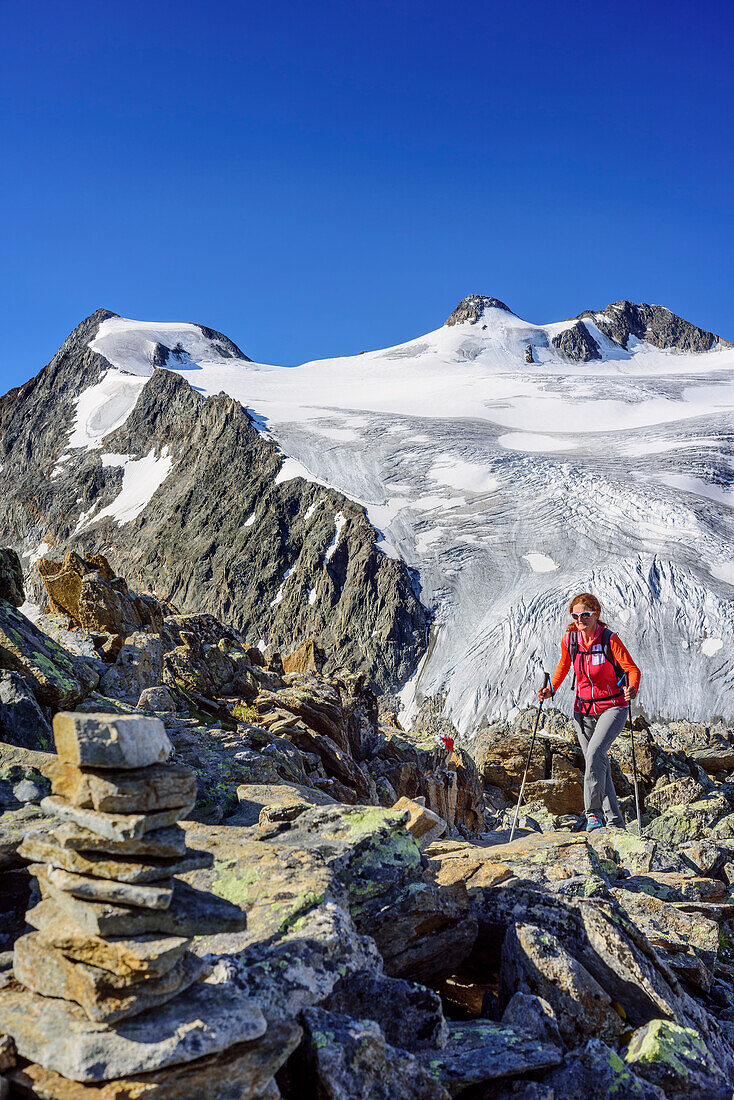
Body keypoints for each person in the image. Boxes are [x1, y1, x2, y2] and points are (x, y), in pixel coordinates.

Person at [537, 592, 641, 831]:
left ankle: (593, 814)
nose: (580, 619)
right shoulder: (571, 640)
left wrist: (632, 688)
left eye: (585, 614)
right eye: (575, 615)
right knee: (598, 762)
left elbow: (631, 669)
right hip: (582, 711)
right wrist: (550, 690)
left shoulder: (609, 640)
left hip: (613, 707)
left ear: (596, 614)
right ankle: (615, 822)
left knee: (594, 754)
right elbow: (563, 667)